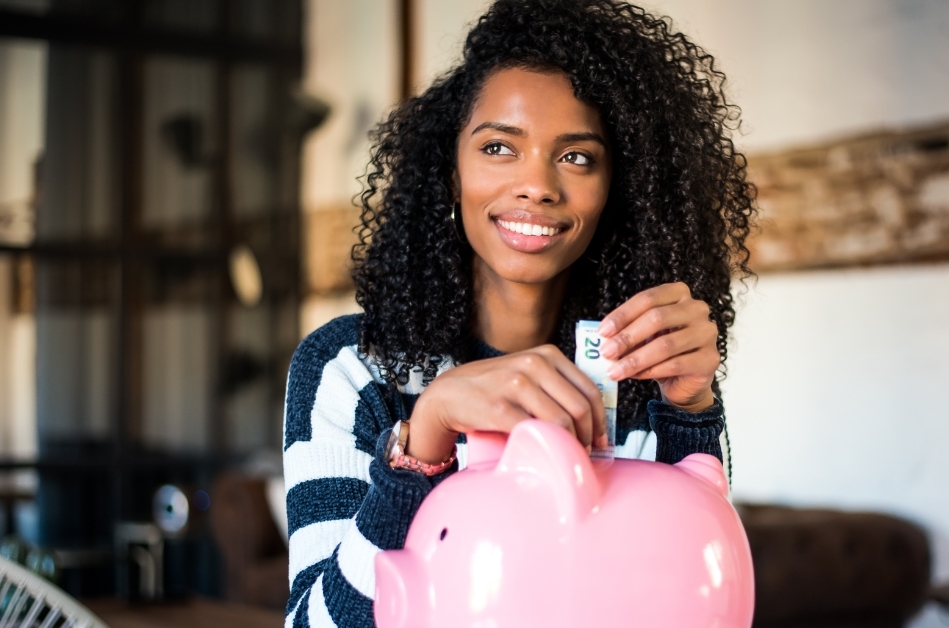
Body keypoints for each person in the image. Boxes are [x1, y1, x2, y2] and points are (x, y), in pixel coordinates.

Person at [282, 0, 754, 624]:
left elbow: (680, 594)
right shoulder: (350, 368)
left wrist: (690, 410)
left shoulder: (637, 371)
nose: (537, 185)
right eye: (500, 147)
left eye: (577, 156)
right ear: (450, 173)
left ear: (620, 187)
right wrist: (427, 433)